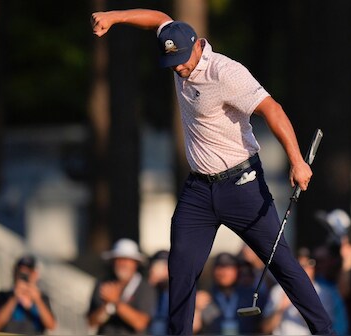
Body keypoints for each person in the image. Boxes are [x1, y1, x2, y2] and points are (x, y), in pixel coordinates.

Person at [91, 9, 334, 335]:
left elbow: (272, 110)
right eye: (172, 61)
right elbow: (158, 17)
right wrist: (115, 17)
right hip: (199, 190)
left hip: (242, 184)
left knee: (281, 262)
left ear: (197, 45)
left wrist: (296, 160)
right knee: (181, 267)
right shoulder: (176, 43)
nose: (178, 67)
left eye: (181, 59)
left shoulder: (226, 72)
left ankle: (325, 332)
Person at [87, 238, 156, 335]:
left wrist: (115, 302)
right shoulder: (103, 284)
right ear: (113, 262)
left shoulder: (145, 288)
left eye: (127, 260)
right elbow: (91, 322)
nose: (123, 264)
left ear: (135, 263)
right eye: (119, 259)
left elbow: (140, 323)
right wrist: (106, 307)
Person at [193, 252, 265, 335]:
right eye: (220, 268)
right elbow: (194, 329)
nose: (224, 273)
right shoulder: (204, 297)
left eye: (228, 268)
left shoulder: (252, 297)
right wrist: (196, 309)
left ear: (237, 271)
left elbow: (264, 326)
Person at [0, 255, 57, 334]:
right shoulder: (2, 297)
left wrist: (37, 300)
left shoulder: (42, 298)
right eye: (21, 273)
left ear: (35, 275)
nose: (24, 277)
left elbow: (51, 325)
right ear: (15, 274)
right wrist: (14, 298)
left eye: (28, 273)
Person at [148, 250, 170, 336]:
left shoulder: (177, 289)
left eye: (165, 265)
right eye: (159, 265)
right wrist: (151, 281)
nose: (164, 270)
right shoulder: (147, 288)